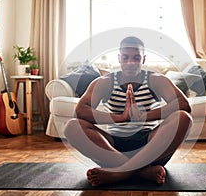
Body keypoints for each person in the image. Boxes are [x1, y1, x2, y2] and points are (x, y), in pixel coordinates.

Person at [64, 36, 192, 186]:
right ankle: (143, 171)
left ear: (143, 59)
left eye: (136, 57)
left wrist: (144, 117)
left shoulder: (156, 80)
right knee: (72, 126)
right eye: (125, 57)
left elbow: (183, 104)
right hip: (112, 147)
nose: (130, 62)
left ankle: (119, 173)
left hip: (150, 146)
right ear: (119, 58)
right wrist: (120, 118)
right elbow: (80, 111)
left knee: (183, 118)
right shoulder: (105, 82)